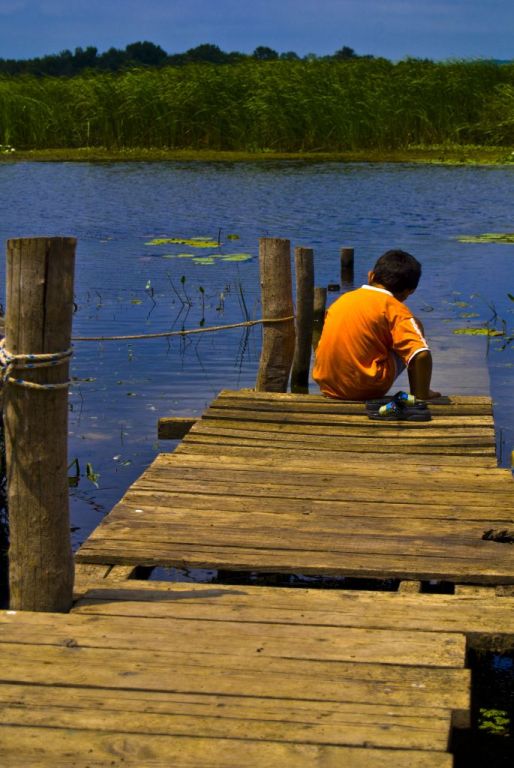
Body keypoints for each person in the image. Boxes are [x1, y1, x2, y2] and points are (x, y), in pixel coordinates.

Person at [312, 249, 441, 401]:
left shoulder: (342, 300)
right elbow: (421, 354)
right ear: (409, 291)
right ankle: (420, 392)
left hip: (328, 386)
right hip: (365, 388)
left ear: (370, 275)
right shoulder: (395, 309)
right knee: (415, 328)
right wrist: (423, 393)